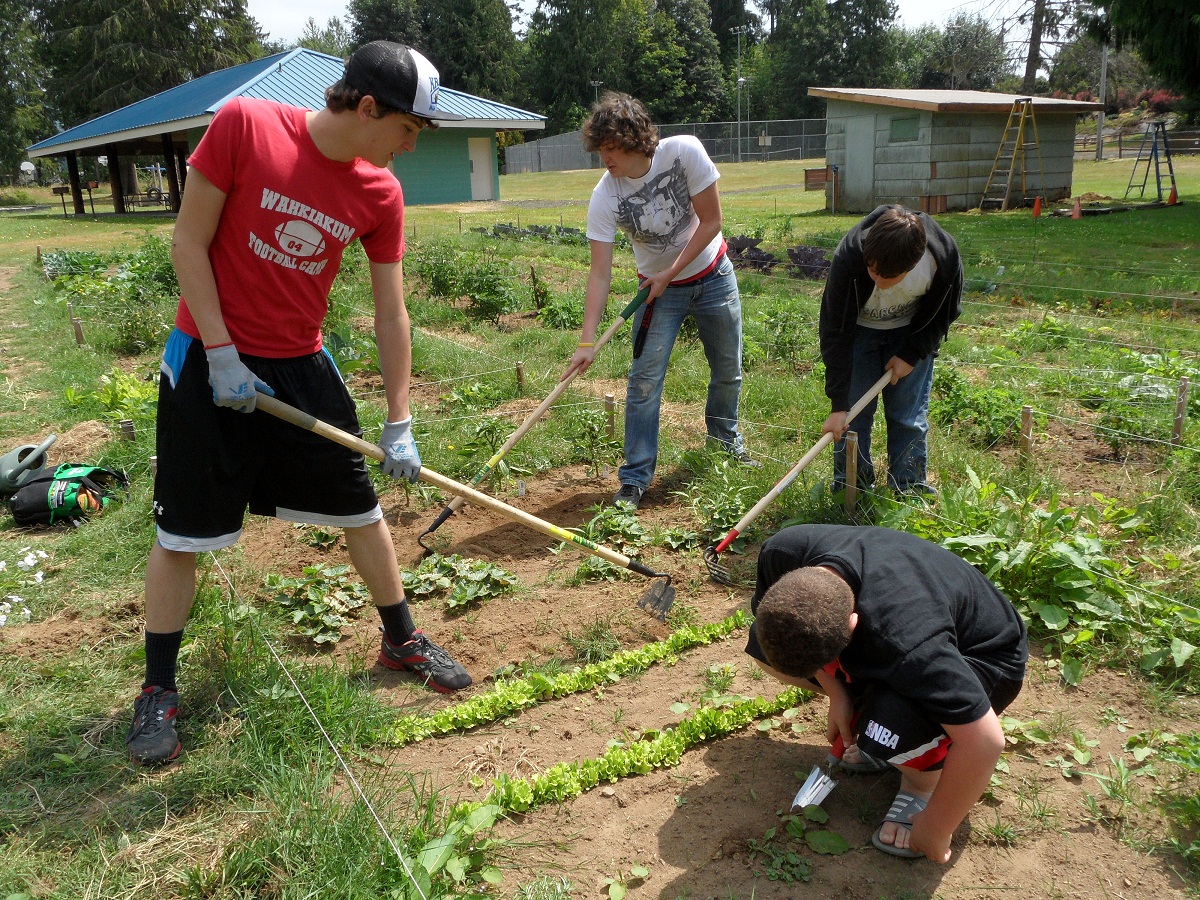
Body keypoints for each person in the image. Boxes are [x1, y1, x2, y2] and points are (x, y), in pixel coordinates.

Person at [126, 41, 473, 767]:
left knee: (360, 510)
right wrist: (221, 352)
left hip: (300, 364)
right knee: (183, 532)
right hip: (207, 362)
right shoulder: (246, 126)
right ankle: (158, 687)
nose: (411, 147)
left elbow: (391, 313)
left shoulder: (379, 193)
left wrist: (400, 417)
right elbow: (187, 243)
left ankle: (399, 636)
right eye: (409, 129)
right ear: (368, 107)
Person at [744, 524, 1027, 863]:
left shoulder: (911, 644)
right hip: (902, 612)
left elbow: (985, 741)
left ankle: (922, 784)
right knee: (763, 648)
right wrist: (839, 693)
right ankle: (883, 734)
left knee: (892, 723)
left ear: (853, 625)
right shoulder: (782, 552)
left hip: (983, 657)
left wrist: (936, 827)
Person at [561, 92, 757, 511]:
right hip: (655, 293)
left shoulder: (684, 153)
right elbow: (599, 272)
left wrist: (672, 272)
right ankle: (635, 478)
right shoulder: (605, 195)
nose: (604, 159)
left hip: (713, 275)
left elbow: (713, 221)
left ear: (634, 140)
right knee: (644, 381)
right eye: (600, 149)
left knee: (728, 370)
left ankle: (725, 443)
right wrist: (587, 340)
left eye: (611, 148)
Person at [820, 205, 963, 495]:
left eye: (889, 276)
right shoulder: (850, 256)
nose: (879, 282)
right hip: (858, 333)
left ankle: (909, 487)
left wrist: (912, 354)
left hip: (911, 333)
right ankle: (852, 488)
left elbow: (946, 312)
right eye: (873, 271)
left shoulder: (942, 259)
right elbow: (835, 329)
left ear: (913, 264)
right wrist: (838, 404)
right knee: (853, 419)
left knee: (908, 417)